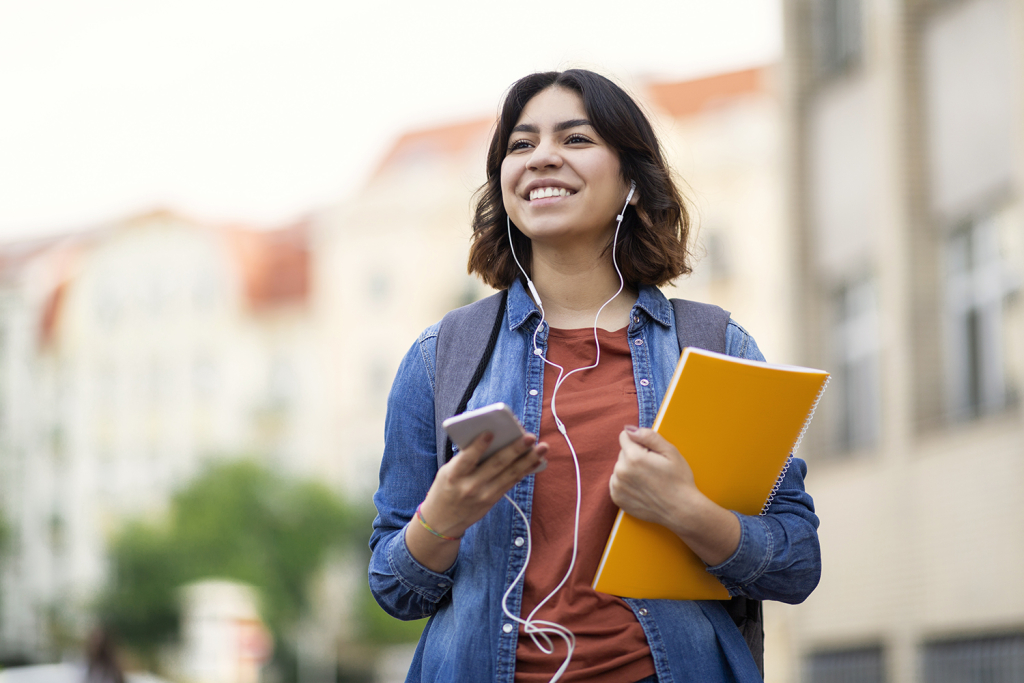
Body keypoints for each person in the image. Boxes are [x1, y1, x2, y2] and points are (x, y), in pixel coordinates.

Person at [368, 69, 821, 683]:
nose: (542, 157)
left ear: (633, 181)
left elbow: (796, 562)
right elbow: (395, 589)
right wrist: (441, 517)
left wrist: (687, 511)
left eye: (575, 139)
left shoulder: (716, 347)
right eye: (520, 145)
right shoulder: (439, 357)